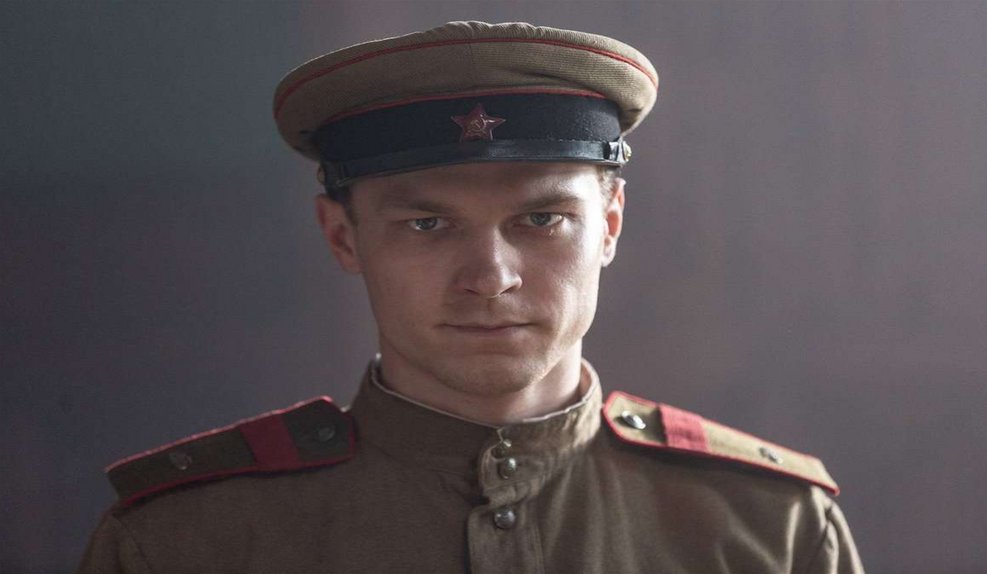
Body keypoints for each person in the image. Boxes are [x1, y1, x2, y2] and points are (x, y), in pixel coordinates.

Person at [78, 21, 864, 573]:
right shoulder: (186, 541)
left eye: (542, 219)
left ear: (610, 225)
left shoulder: (769, 529)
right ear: (343, 237)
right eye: (427, 224)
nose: (490, 276)